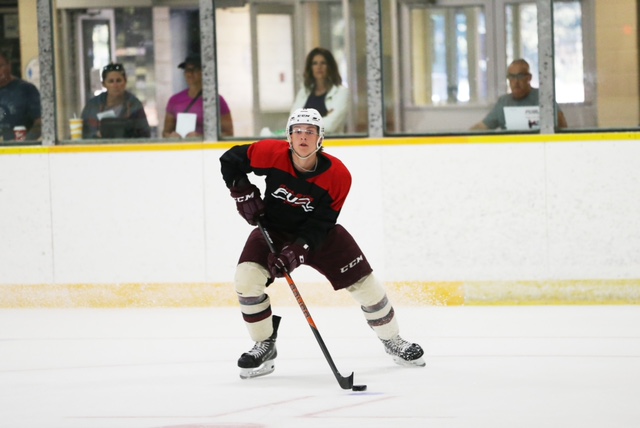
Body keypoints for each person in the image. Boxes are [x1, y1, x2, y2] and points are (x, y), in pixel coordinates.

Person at [220, 108, 425, 380]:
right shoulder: (270, 153)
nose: (303, 137)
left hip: (320, 235)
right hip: (273, 228)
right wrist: (241, 191)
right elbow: (230, 160)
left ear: (320, 139)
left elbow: (323, 222)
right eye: (297, 131)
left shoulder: (338, 175)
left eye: (310, 132)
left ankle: (393, 339)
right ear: (289, 137)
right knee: (246, 280)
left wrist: (298, 251)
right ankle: (264, 345)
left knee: (366, 285)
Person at [471, 58, 568, 130]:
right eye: (511, 77)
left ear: (529, 78)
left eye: (520, 76)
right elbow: (483, 126)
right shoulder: (503, 102)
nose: (515, 82)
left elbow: (562, 126)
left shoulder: (543, 98)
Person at [163, 54, 233, 138]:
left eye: (195, 70)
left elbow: (229, 133)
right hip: (181, 146)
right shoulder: (174, 100)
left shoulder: (216, 100)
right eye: (187, 70)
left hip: (206, 146)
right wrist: (172, 136)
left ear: (204, 73)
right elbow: (166, 133)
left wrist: (201, 137)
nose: (190, 74)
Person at [81, 63, 150, 139]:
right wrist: (96, 136)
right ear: (104, 84)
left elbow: (144, 135)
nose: (115, 85)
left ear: (125, 82)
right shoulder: (93, 106)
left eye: (118, 81)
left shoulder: (134, 105)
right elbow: (83, 134)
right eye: (111, 81)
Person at [290, 47, 349, 135]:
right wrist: (322, 119)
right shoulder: (304, 92)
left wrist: (303, 122)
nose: (319, 67)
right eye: (315, 63)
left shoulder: (341, 93)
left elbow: (330, 125)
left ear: (330, 67)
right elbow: (293, 122)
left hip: (331, 142)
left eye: (323, 63)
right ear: (310, 68)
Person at [0, 52, 41, 141]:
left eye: (0, 66)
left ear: (9, 66)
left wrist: (25, 142)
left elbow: (40, 122)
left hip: (19, 147)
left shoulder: (26, 89)